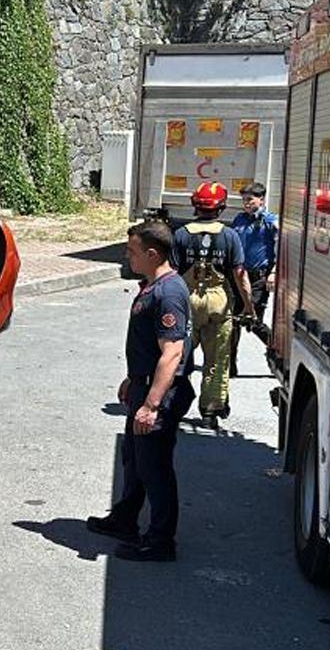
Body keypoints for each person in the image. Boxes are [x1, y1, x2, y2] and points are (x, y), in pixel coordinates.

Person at [87, 220, 195, 562]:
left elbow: (172, 352)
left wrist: (151, 404)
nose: (127, 256)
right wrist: (132, 380)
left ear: (152, 253)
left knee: (154, 467)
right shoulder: (152, 285)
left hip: (158, 393)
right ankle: (124, 519)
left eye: (132, 251)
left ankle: (161, 541)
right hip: (143, 385)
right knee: (134, 459)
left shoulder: (169, 293)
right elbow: (147, 347)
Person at [171, 182, 253, 428]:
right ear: (222, 207)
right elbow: (239, 273)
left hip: (186, 301)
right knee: (217, 359)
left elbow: (173, 271)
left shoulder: (181, 234)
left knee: (178, 356)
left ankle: (172, 403)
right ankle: (210, 412)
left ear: (195, 205)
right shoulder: (229, 236)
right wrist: (248, 307)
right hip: (218, 302)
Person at [229, 182, 279, 376]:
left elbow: (280, 248)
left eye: (250, 199)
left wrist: (274, 272)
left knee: (252, 320)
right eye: (244, 200)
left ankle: (278, 351)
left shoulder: (270, 221)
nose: (246, 203)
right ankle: (230, 364)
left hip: (258, 278)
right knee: (232, 321)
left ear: (261, 199)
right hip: (239, 276)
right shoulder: (240, 220)